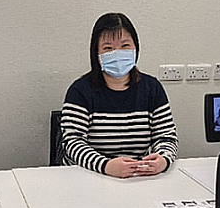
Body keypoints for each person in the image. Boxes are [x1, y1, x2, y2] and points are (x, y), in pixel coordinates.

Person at [60, 13, 178, 179]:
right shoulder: (80, 91)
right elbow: (73, 143)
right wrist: (106, 166)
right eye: (108, 48)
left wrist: (163, 160)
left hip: (137, 176)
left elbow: (166, 136)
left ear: (135, 48)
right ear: (96, 53)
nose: (117, 53)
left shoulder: (152, 88)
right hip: (89, 175)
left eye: (125, 46)